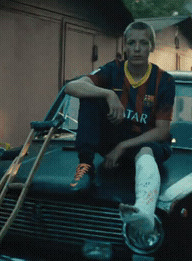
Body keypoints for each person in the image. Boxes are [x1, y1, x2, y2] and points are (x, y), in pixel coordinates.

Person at [64, 21, 175, 241]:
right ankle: (85, 165)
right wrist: (108, 94)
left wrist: (122, 147)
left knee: (146, 149)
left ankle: (144, 211)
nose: (136, 48)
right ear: (124, 46)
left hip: (143, 147)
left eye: (143, 43)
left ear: (151, 47)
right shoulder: (112, 70)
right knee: (90, 94)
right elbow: (71, 87)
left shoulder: (164, 81)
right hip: (112, 140)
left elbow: (162, 131)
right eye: (131, 43)